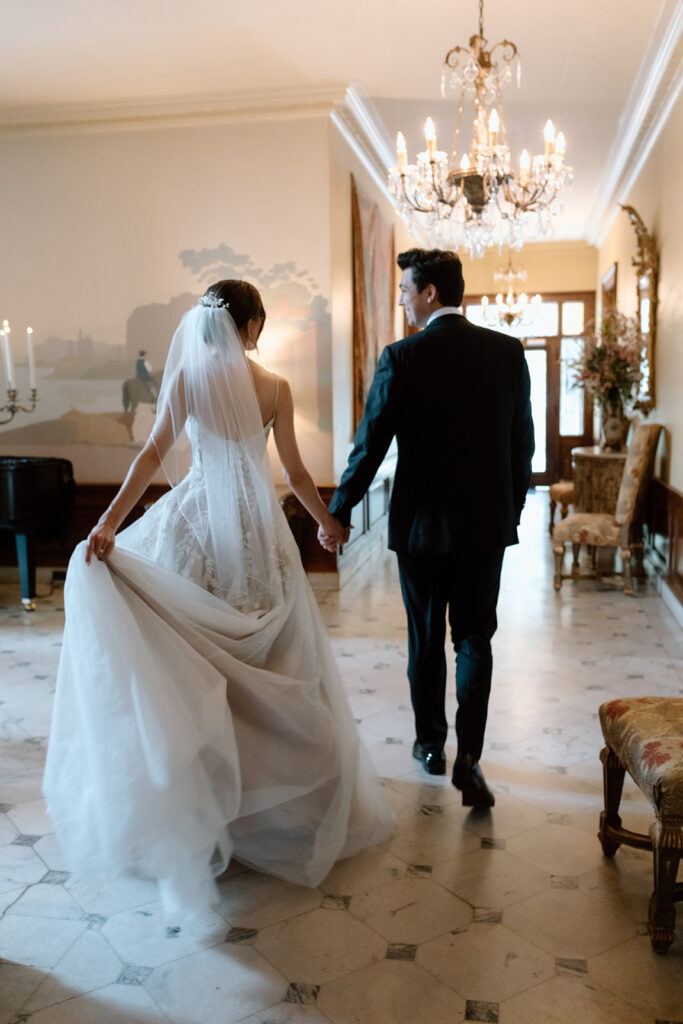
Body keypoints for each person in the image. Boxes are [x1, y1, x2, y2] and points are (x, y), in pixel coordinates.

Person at [43, 280, 395, 919]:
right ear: (252, 323)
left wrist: (109, 524)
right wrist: (328, 524)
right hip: (257, 532)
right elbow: (294, 473)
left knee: (194, 661)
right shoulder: (275, 388)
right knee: (271, 659)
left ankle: (208, 803)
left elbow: (151, 454)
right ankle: (269, 804)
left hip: (196, 525)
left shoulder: (187, 380)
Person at [320, 249, 534, 808]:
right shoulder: (507, 353)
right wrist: (509, 512)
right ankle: (470, 759)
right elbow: (522, 444)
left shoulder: (402, 356)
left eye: (404, 290)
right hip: (485, 526)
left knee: (426, 637)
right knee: (474, 638)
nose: (400, 300)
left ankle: (431, 746)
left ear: (429, 292)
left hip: (421, 528)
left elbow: (370, 444)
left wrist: (340, 510)